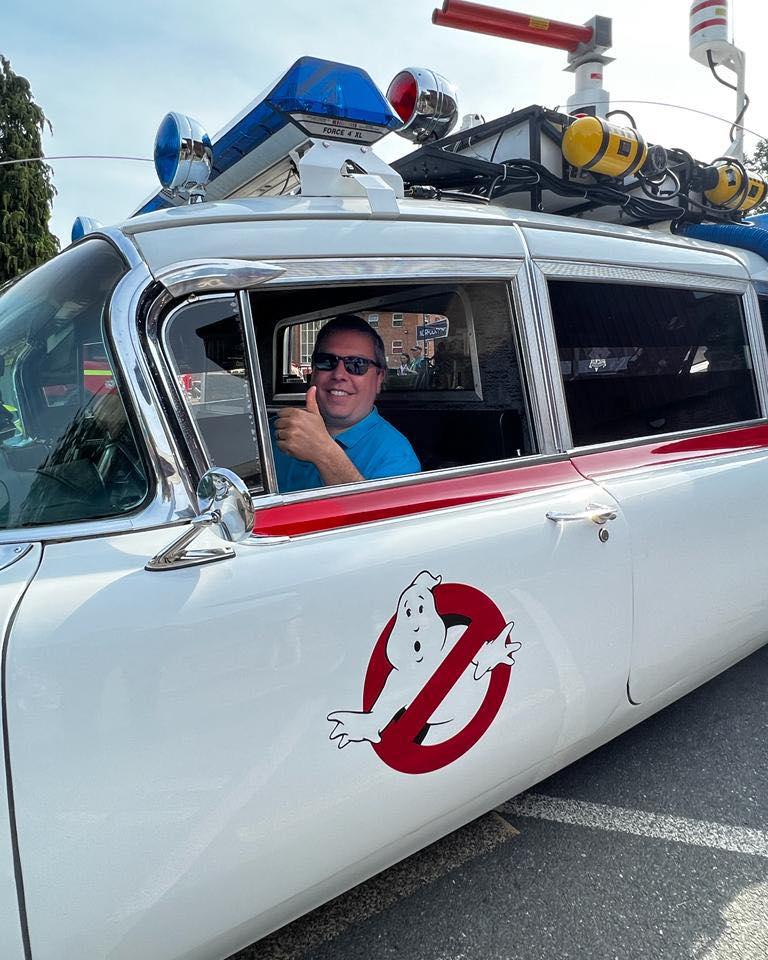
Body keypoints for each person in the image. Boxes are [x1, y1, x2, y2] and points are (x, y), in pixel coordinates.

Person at [272, 315, 421, 492]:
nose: (339, 374)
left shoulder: (396, 457)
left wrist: (324, 453)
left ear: (379, 378)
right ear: (313, 371)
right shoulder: (276, 429)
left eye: (357, 364)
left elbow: (377, 517)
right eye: (327, 361)